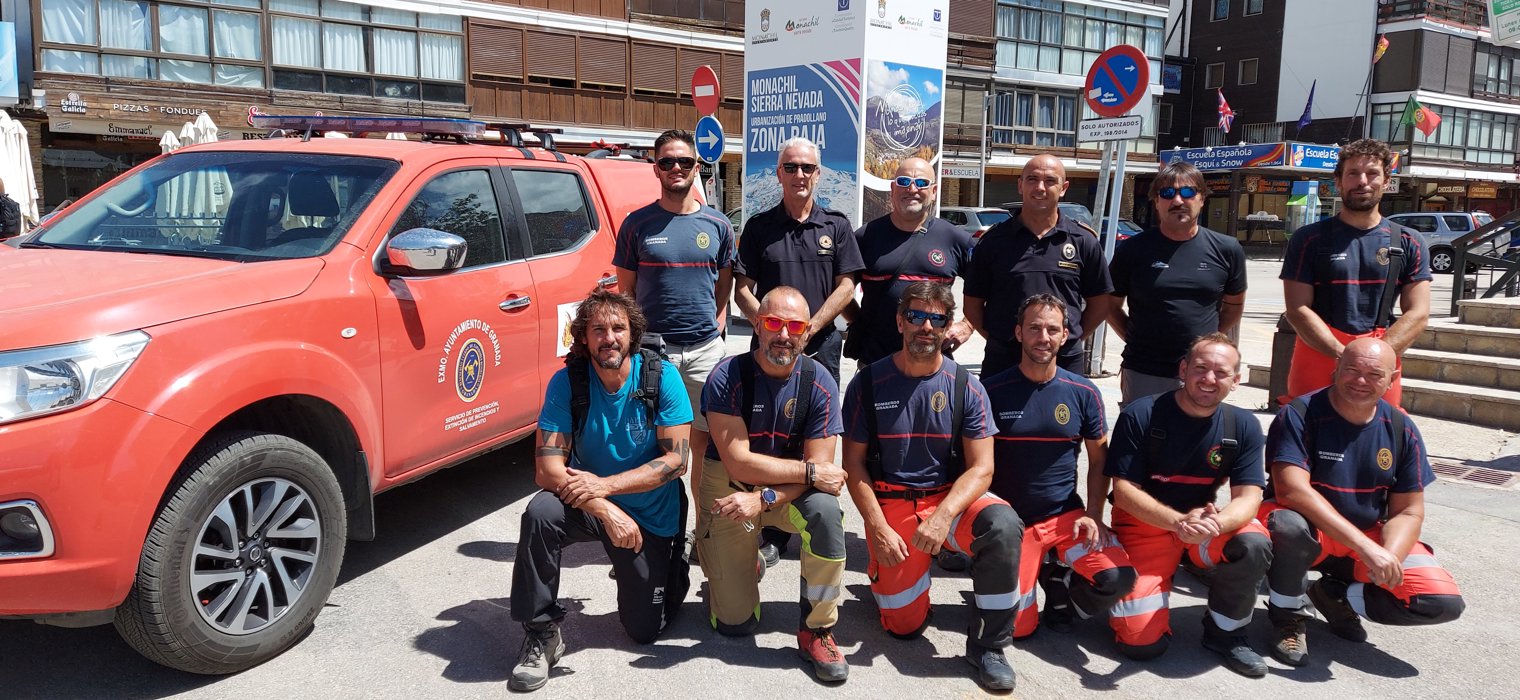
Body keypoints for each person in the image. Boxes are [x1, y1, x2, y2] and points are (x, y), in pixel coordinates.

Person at [841, 281, 1023, 691]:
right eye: (917, 316)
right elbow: (852, 465)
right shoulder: (868, 383)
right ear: (900, 321)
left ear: (947, 327)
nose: (926, 326)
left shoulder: (966, 385)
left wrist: (943, 517)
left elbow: (982, 469)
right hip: (893, 504)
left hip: (948, 499)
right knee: (903, 627)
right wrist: (878, 528)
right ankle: (892, 576)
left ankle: (989, 646)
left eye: (936, 318)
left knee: (1004, 525)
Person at [509, 290, 693, 692]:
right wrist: (607, 508)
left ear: (633, 334)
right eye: (597, 330)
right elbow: (547, 469)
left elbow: (677, 461)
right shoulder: (568, 382)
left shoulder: (661, 377)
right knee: (540, 513)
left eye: (618, 328)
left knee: (643, 631)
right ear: (583, 338)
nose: (608, 338)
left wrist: (607, 485)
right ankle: (541, 632)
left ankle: (673, 566)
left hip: (650, 512)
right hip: (592, 505)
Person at [1260, 338, 1463, 667]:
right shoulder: (1298, 414)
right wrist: (1366, 548)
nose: (1360, 380)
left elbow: (1409, 510)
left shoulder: (1401, 428)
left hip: (1365, 536)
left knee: (1439, 602)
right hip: (1309, 534)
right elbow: (1290, 491)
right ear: (1336, 369)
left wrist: (1388, 558)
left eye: (1374, 374)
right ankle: (1288, 618)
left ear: (1392, 379)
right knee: (1287, 526)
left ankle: (1335, 594)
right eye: (1352, 369)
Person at [698, 286, 851, 682]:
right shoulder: (726, 376)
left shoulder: (820, 383)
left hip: (781, 491)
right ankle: (744, 562)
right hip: (730, 485)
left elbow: (823, 475)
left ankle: (817, 628)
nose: (784, 334)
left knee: (827, 514)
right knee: (733, 623)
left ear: (807, 332)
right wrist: (809, 473)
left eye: (795, 326)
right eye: (773, 323)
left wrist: (765, 499)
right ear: (756, 325)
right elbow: (740, 461)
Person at [1104, 333, 1274, 677]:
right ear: (1183, 369)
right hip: (1145, 524)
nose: (1209, 379)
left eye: (1221, 372)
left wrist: (1217, 525)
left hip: (1203, 524)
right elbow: (1123, 492)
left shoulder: (1242, 426)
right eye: (1200, 368)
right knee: (1141, 645)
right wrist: (1179, 522)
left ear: (1236, 381)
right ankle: (1141, 597)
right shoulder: (1143, 414)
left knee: (1254, 541)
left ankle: (1227, 633)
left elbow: (1249, 498)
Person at [735, 136, 864, 565]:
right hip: (769, 352)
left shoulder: (836, 226)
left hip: (819, 350)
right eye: (790, 167)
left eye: (807, 167)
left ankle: (815, 514)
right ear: (778, 174)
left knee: (814, 437)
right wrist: (768, 326)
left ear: (818, 173)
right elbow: (743, 291)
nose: (799, 175)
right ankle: (771, 530)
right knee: (769, 434)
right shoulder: (758, 227)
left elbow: (847, 285)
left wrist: (811, 327)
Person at [983, 294, 1136, 639]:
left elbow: (1099, 460)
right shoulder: (991, 390)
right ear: (1019, 333)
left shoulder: (1083, 391)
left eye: (1053, 329)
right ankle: (1034, 572)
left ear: (1066, 335)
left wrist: (1094, 513)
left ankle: (1062, 591)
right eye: (1034, 328)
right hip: (1012, 523)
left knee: (1118, 579)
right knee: (1017, 630)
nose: (1044, 337)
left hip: (1065, 517)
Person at [615, 128, 736, 502]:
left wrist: (714, 330)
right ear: (656, 169)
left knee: (702, 447)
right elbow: (627, 293)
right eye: (667, 161)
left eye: (684, 161)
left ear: (696, 166)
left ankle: (700, 536)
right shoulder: (637, 224)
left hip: (704, 352)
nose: (676, 168)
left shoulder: (719, 225)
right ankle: (657, 534)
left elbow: (723, 286)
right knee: (653, 446)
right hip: (652, 354)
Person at [1281, 138, 1430, 406]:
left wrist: (1374, 356)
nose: (1363, 181)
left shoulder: (1409, 242)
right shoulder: (1308, 239)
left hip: (1381, 352)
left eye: (1372, 173)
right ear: (1338, 181)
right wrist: (1342, 354)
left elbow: (1418, 313)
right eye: (1353, 173)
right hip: (1319, 350)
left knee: (1379, 436)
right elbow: (1297, 309)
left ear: (1386, 181)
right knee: (1303, 434)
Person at [1109, 160, 1247, 406]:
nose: (1178, 201)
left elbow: (1234, 306)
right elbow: (1109, 305)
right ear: (1156, 201)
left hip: (1203, 373)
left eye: (1187, 192)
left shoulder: (1228, 249)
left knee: (1196, 441)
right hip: (1144, 369)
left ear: (1202, 198)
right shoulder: (1133, 249)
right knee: (1141, 438)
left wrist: (1208, 343)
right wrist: (1132, 336)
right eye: (1168, 193)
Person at [965, 154, 1112, 378]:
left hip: (1064, 359)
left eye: (1050, 181)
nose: (1040, 188)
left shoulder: (1083, 241)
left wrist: (1066, 338)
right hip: (1005, 358)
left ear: (1064, 188)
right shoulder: (993, 242)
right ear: (1020, 185)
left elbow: (1100, 304)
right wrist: (1003, 338)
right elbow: (972, 305)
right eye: (1032, 179)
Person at [845, 157, 974, 366]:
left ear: (933, 192)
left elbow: (989, 288)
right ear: (893, 189)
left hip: (934, 364)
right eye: (904, 182)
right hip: (876, 363)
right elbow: (840, 288)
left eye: (922, 183)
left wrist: (967, 326)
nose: (912, 189)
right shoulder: (865, 237)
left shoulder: (955, 239)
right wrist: (860, 320)